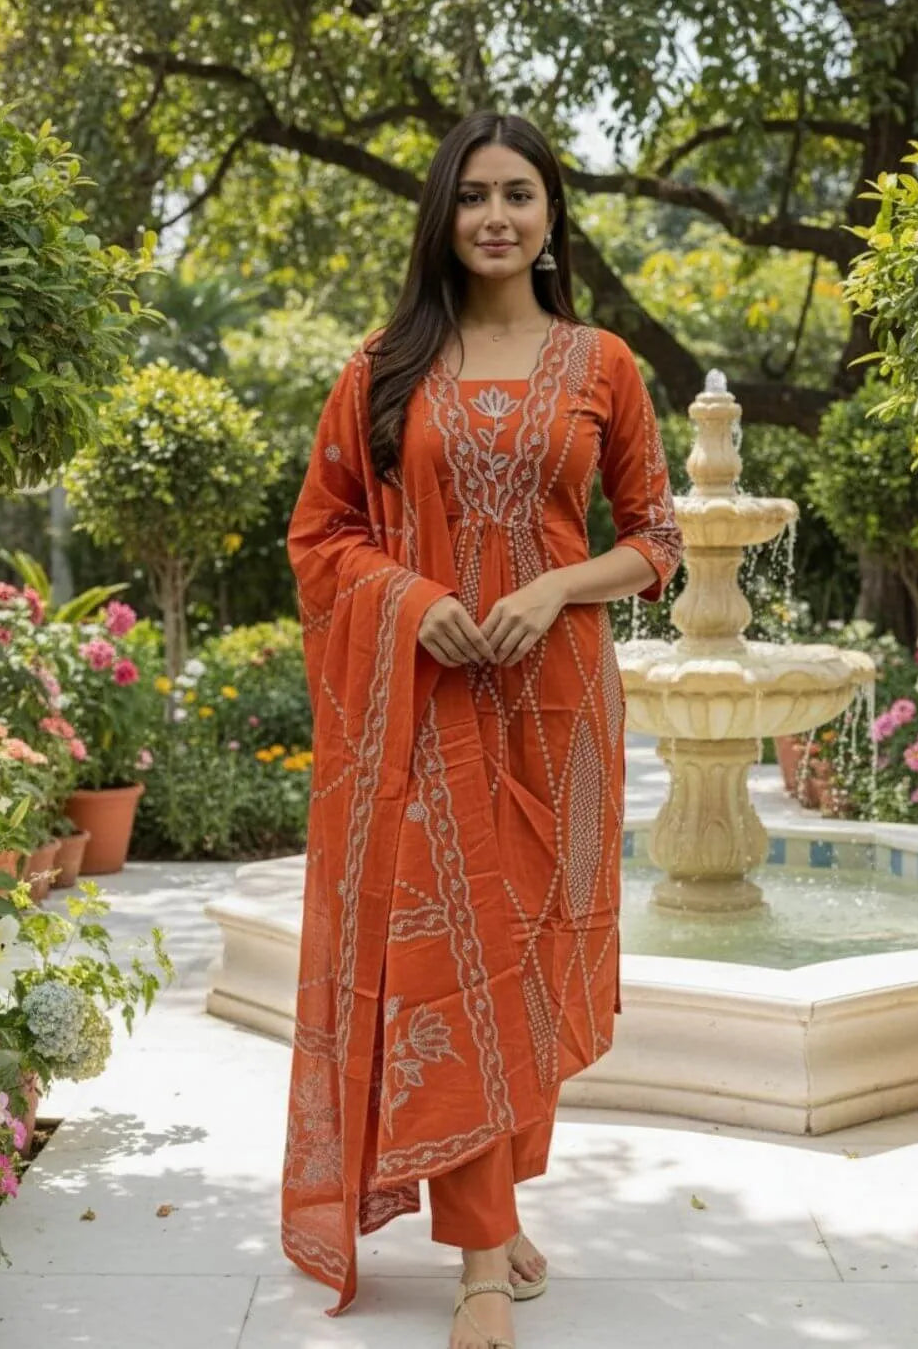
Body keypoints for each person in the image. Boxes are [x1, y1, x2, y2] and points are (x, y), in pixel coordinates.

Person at [281, 109, 684, 1349]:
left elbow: (657, 546)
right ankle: (477, 1266)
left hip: (558, 708)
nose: (496, 216)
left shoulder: (603, 363)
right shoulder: (384, 368)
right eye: (472, 196)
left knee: (531, 961)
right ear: (443, 220)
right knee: (458, 957)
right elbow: (320, 535)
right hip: (430, 706)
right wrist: (414, 602)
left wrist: (559, 585)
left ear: (553, 213)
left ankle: (495, 1209)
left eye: (518, 193)